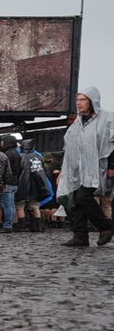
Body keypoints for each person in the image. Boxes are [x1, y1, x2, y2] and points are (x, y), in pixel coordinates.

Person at [59, 87, 114, 248]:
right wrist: (64, 171)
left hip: (98, 168)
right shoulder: (78, 122)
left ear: (92, 101)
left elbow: (112, 143)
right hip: (77, 172)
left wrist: (112, 165)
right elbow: (70, 148)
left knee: (83, 197)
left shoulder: (107, 119)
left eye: (83, 100)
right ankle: (80, 235)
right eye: (77, 100)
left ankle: (106, 226)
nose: (79, 103)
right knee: (75, 199)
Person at [16, 139, 53, 232]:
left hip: (22, 185)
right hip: (37, 186)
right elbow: (45, 171)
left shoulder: (20, 157)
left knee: (20, 206)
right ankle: (39, 227)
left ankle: (22, 227)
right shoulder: (39, 157)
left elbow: (17, 172)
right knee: (36, 206)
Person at [0, 136, 23, 230]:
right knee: (12, 204)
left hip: (7, 183)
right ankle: (11, 223)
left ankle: (8, 225)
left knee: (7, 205)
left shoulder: (7, 154)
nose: (1, 144)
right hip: (14, 182)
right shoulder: (17, 153)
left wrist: (3, 182)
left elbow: (5, 170)